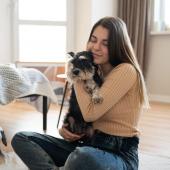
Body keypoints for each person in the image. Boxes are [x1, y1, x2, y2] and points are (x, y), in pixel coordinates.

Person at [11, 16, 149, 170]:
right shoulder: (95, 73)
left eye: (105, 43)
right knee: (22, 138)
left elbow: (91, 113)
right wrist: (65, 130)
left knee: (82, 157)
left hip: (118, 155)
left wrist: (75, 74)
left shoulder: (126, 71)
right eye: (93, 40)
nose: (96, 47)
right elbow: (82, 115)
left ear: (117, 46)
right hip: (88, 144)